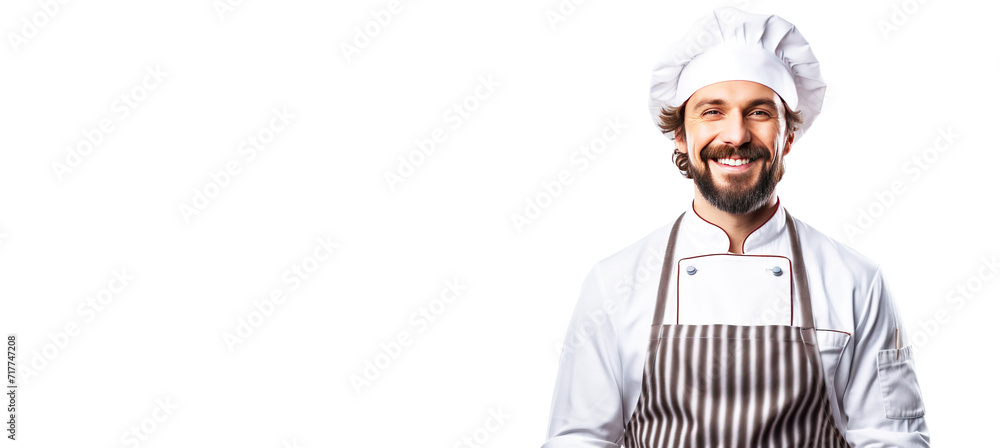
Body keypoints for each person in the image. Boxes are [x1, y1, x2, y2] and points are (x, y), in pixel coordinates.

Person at [541, 7, 930, 448]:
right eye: (712, 111)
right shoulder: (613, 283)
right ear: (680, 136)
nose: (736, 135)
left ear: (788, 136)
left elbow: (893, 440)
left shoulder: (857, 282)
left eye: (759, 112)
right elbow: (578, 440)